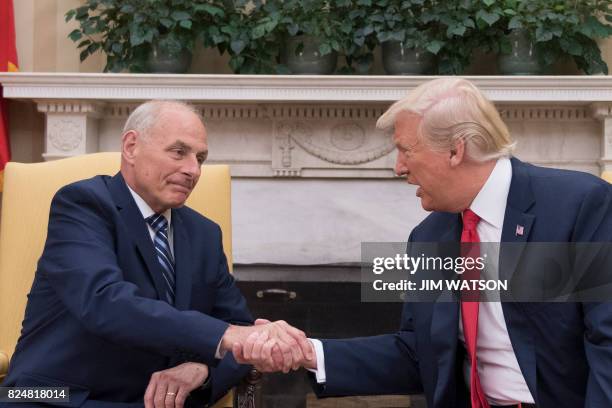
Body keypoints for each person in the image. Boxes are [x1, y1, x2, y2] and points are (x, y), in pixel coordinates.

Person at [234, 78, 612, 408]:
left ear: (455, 150)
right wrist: (309, 353)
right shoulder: (431, 236)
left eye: (406, 149)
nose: (398, 167)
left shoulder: (577, 207)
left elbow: (607, 342)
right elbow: (418, 354)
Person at [1, 100, 312, 408]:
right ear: (131, 146)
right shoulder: (82, 205)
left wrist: (202, 370)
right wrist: (227, 336)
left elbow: (239, 331)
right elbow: (105, 302)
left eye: (200, 158)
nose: (193, 170)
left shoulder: (204, 233)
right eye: (179, 152)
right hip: (54, 397)